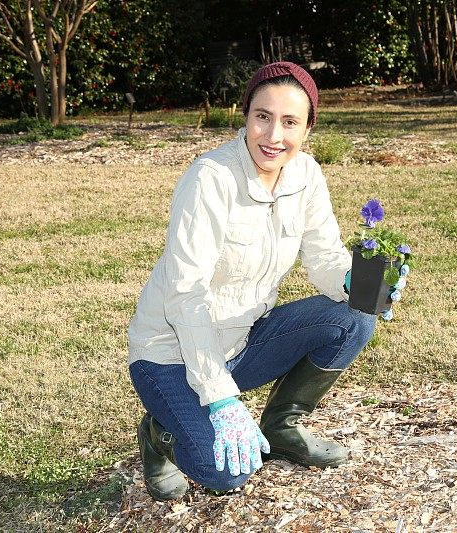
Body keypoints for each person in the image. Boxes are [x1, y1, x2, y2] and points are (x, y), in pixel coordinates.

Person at [127, 61, 400, 501]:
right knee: (224, 472)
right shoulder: (210, 179)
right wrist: (218, 397)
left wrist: (355, 281)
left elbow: (326, 256)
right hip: (171, 353)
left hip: (243, 340)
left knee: (356, 317)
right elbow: (185, 295)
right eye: (263, 117)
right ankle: (159, 434)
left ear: (308, 128)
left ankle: (282, 426)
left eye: (290, 122)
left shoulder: (306, 175)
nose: (274, 136)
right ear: (246, 116)